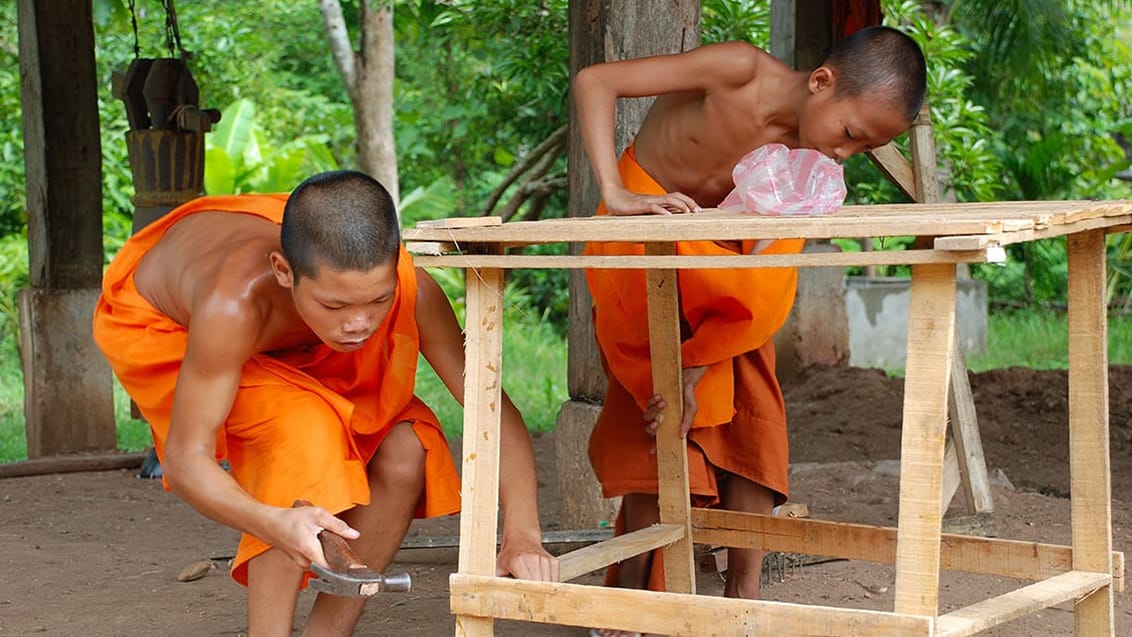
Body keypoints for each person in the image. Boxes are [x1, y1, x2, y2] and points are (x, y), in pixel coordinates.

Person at [92, 170, 558, 636]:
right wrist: (274, 522)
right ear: (283, 271)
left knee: (407, 448)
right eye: (335, 306)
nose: (359, 324)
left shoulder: (410, 289)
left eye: (378, 300)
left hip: (291, 332)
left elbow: (492, 410)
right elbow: (185, 459)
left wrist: (523, 534)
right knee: (303, 429)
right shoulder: (232, 305)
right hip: (169, 323)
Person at [573, 24, 926, 630]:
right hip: (640, 235)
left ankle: (745, 594)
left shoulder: (806, 164)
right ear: (821, 82)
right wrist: (615, 192)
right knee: (659, 403)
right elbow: (595, 81)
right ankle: (632, 590)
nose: (845, 155)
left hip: (718, 275)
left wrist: (703, 363)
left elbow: (762, 279)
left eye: (861, 149)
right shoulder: (737, 70)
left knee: (750, 398)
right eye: (849, 135)